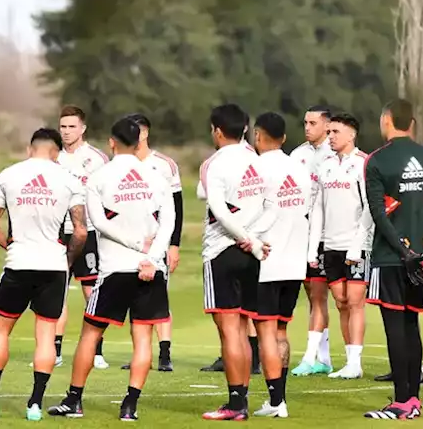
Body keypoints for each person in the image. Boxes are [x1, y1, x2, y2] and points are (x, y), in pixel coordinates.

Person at [47, 117, 175, 421]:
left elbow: (99, 223)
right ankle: (130, 406)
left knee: (90, 334)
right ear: (139, 142)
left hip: (115, 269)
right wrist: (152, 258)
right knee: (143, 338)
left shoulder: (100, 177)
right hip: (149, 269)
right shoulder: (156, 177)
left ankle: (74, 400)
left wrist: (134, 246)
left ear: (112, 142)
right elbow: (168, 223)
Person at [0, 128, 87, 421]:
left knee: (0, 330)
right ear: (56, 152)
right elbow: (80, 231)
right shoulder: (69, 180)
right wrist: (67, 259)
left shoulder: (9, 174)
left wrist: (10, 244)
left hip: (18, 263)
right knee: (45, 336)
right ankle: (34, 404)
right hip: (53, 266)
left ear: (30, 148)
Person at [357, 99, 423, 420]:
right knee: (411, 324)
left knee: (395, 326)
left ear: (386, 120)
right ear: (411, 123)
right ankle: (413, 399)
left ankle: (401, 401)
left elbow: (379, 214)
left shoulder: (376, 161)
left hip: (390, 258)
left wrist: (403, 251)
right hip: (421, 259)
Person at [197, 103, 268, 421]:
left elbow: (220, 212)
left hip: (222, 251)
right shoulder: (255, 158)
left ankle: (236, 403)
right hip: (251, 252)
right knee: (243, 327)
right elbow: (268, 203)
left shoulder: (215, 163)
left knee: (229, 331)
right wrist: (254, 239)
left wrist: (247, 240)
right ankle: (242, 400)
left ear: (216, 129)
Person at [246, 112, 313, 418]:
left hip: (266, 260)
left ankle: (276, 402)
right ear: (284, 138)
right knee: (281, 331)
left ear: (257, 136)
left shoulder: (255, 168)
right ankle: (280, 398)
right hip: (295, 261)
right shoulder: (299, 169)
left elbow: (253, 212)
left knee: (265, 332)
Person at [307, 113, 370, 380]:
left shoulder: (363, 164)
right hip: (330, 245)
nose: (330, 136)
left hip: (356, 245)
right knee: (341, 302)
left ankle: (356, 362)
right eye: (329, 132)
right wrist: (314, 247)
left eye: (335, 132)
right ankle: (349, 360)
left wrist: (358, 245)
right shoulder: (325, 165)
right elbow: (318, 208)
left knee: (355, 302)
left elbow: (370, 207)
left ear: (351, 134)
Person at [122, 112, 183, 373]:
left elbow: (177, 207)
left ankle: (165, 353)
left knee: (159, 296)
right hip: (129, 244)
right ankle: (140, 354)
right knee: (133, 296)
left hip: (158, 243)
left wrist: (174, 244)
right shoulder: (121, 165)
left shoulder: (164, 164)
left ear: (144, 133)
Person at [55, 105, 109, 369]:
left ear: (83, 128)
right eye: (63, 127)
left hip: (87, 233)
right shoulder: (52, 156)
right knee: (56, 291)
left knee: (91, 291)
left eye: (71, 127)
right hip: (57, 232)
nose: (66, 132)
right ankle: (54, 351)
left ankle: (96, 351)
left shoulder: (97, 159)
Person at [290, 105, 337, 377]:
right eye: (305, 122)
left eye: (312, 123)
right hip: (302, 231)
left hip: (326, 233)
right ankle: (324, 357)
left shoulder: (334, 154)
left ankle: (311, 357)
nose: (307, 127)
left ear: (326, 125)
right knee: (312, 293)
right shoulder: (297, 155)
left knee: (321, 295)